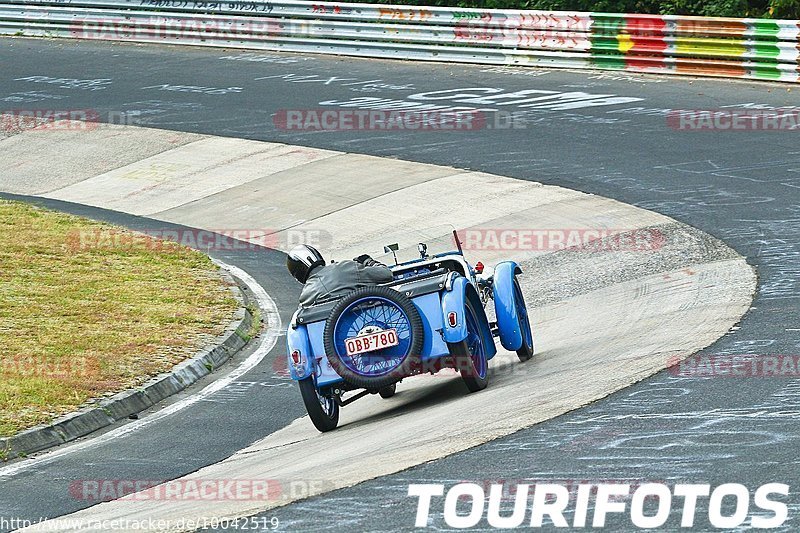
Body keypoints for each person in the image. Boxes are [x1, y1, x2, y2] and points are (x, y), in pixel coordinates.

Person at [286, 244, 393, 307]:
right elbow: (386, 274)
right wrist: (368, 261)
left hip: (333, 338)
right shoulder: (344, 267)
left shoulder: (305, 297)